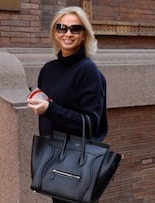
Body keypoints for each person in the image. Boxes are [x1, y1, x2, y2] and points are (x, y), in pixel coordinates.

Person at [27, 6, 107, 203]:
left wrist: (50, 109)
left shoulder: (87, 71)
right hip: (54, 159)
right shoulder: (48, 69)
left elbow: (91, 124)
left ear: (83, 35)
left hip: (77, 165)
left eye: (75, 29)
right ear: (55, 33)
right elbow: (48, 119)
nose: (68, 33)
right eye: (62, 28)